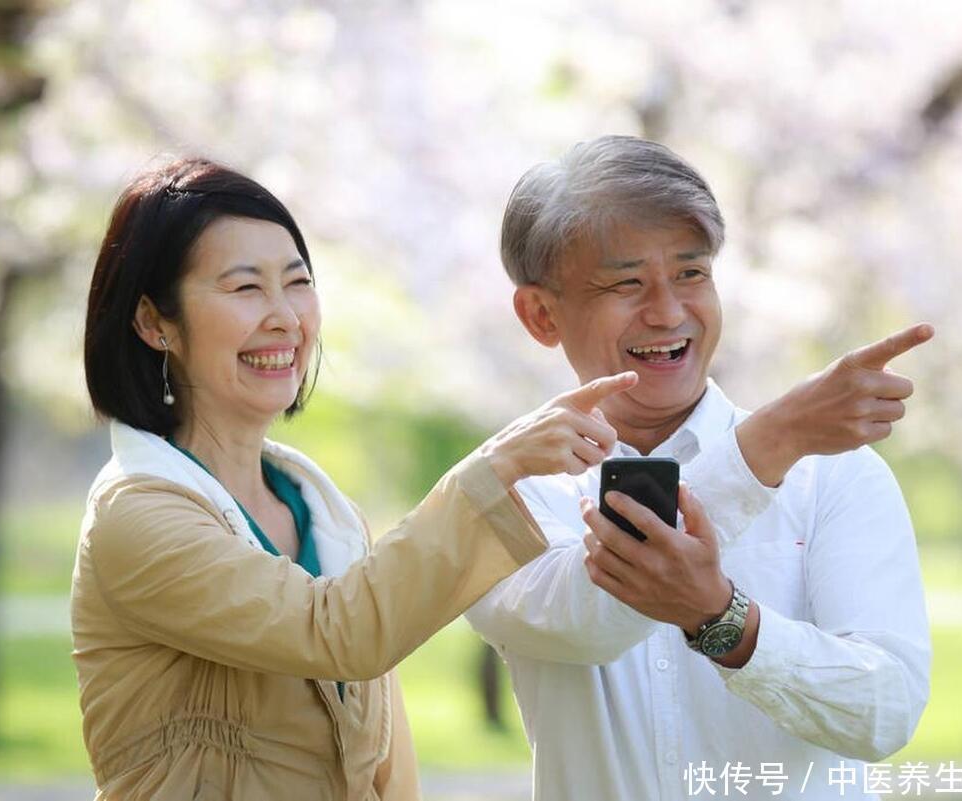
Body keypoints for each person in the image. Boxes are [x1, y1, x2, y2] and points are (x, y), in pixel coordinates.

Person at [70, 157, 642, 800]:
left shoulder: (325, 512)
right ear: (154, 322)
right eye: (245, 288)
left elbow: (388, 767)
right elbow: (340, 633)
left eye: (298, 282)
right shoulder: (137, 514)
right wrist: (496, 469)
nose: (285, 317)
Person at [466, 136, 934, 800]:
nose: (667, 312)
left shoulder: (833, 475)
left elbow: (885, 711)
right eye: (626, 282)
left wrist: (726, 621)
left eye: (691, 273)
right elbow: (580, 622)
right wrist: (766, 445)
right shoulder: (501, 490)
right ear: (541, 314)